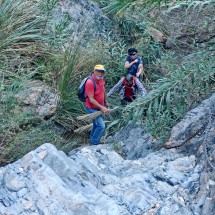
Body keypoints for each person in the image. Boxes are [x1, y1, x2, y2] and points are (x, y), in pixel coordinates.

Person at [85, 64, 110, 145]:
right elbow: (91, 99)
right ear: (95, 71)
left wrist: (106, 102)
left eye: (102, 72)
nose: (101, 73)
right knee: (101, 126)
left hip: (99, 108)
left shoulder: (102, 80)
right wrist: (102, 108)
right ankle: (94, 144)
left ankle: (92, 140)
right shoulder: (90, 82)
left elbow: (103, 91)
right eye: (99, 71)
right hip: (92, 108)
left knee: (96, 125)